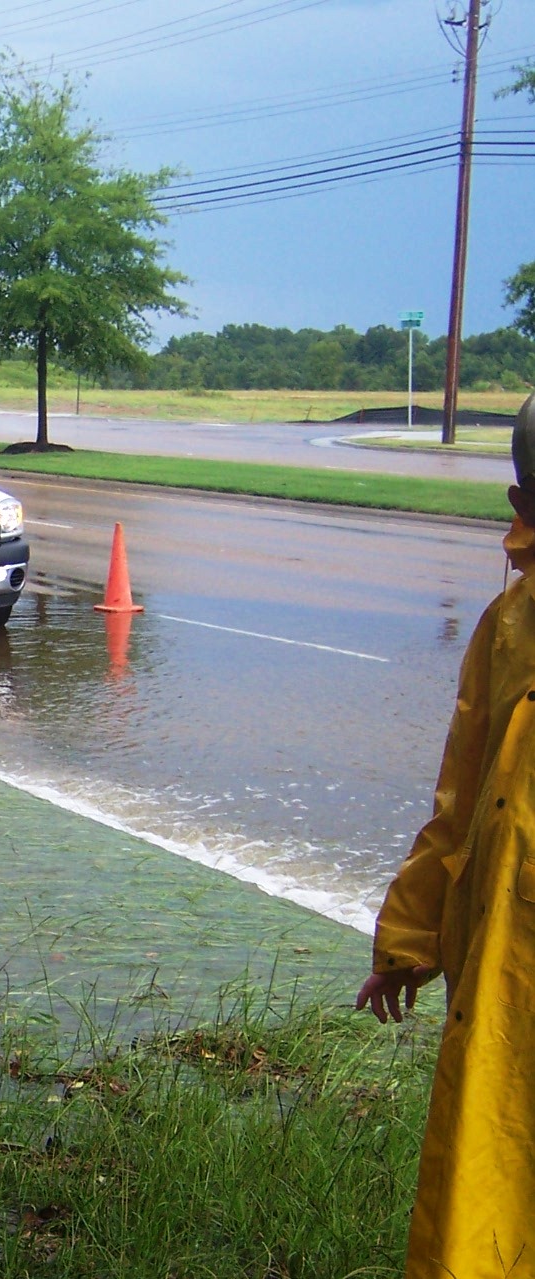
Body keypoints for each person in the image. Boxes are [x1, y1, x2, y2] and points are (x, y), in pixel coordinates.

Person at [357, 392, 535, 1278]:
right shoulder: (508, 629)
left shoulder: (512, 627)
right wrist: (411, 935)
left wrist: (412, 936)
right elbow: (465, 801)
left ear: (518, 508)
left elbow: (459, 801)